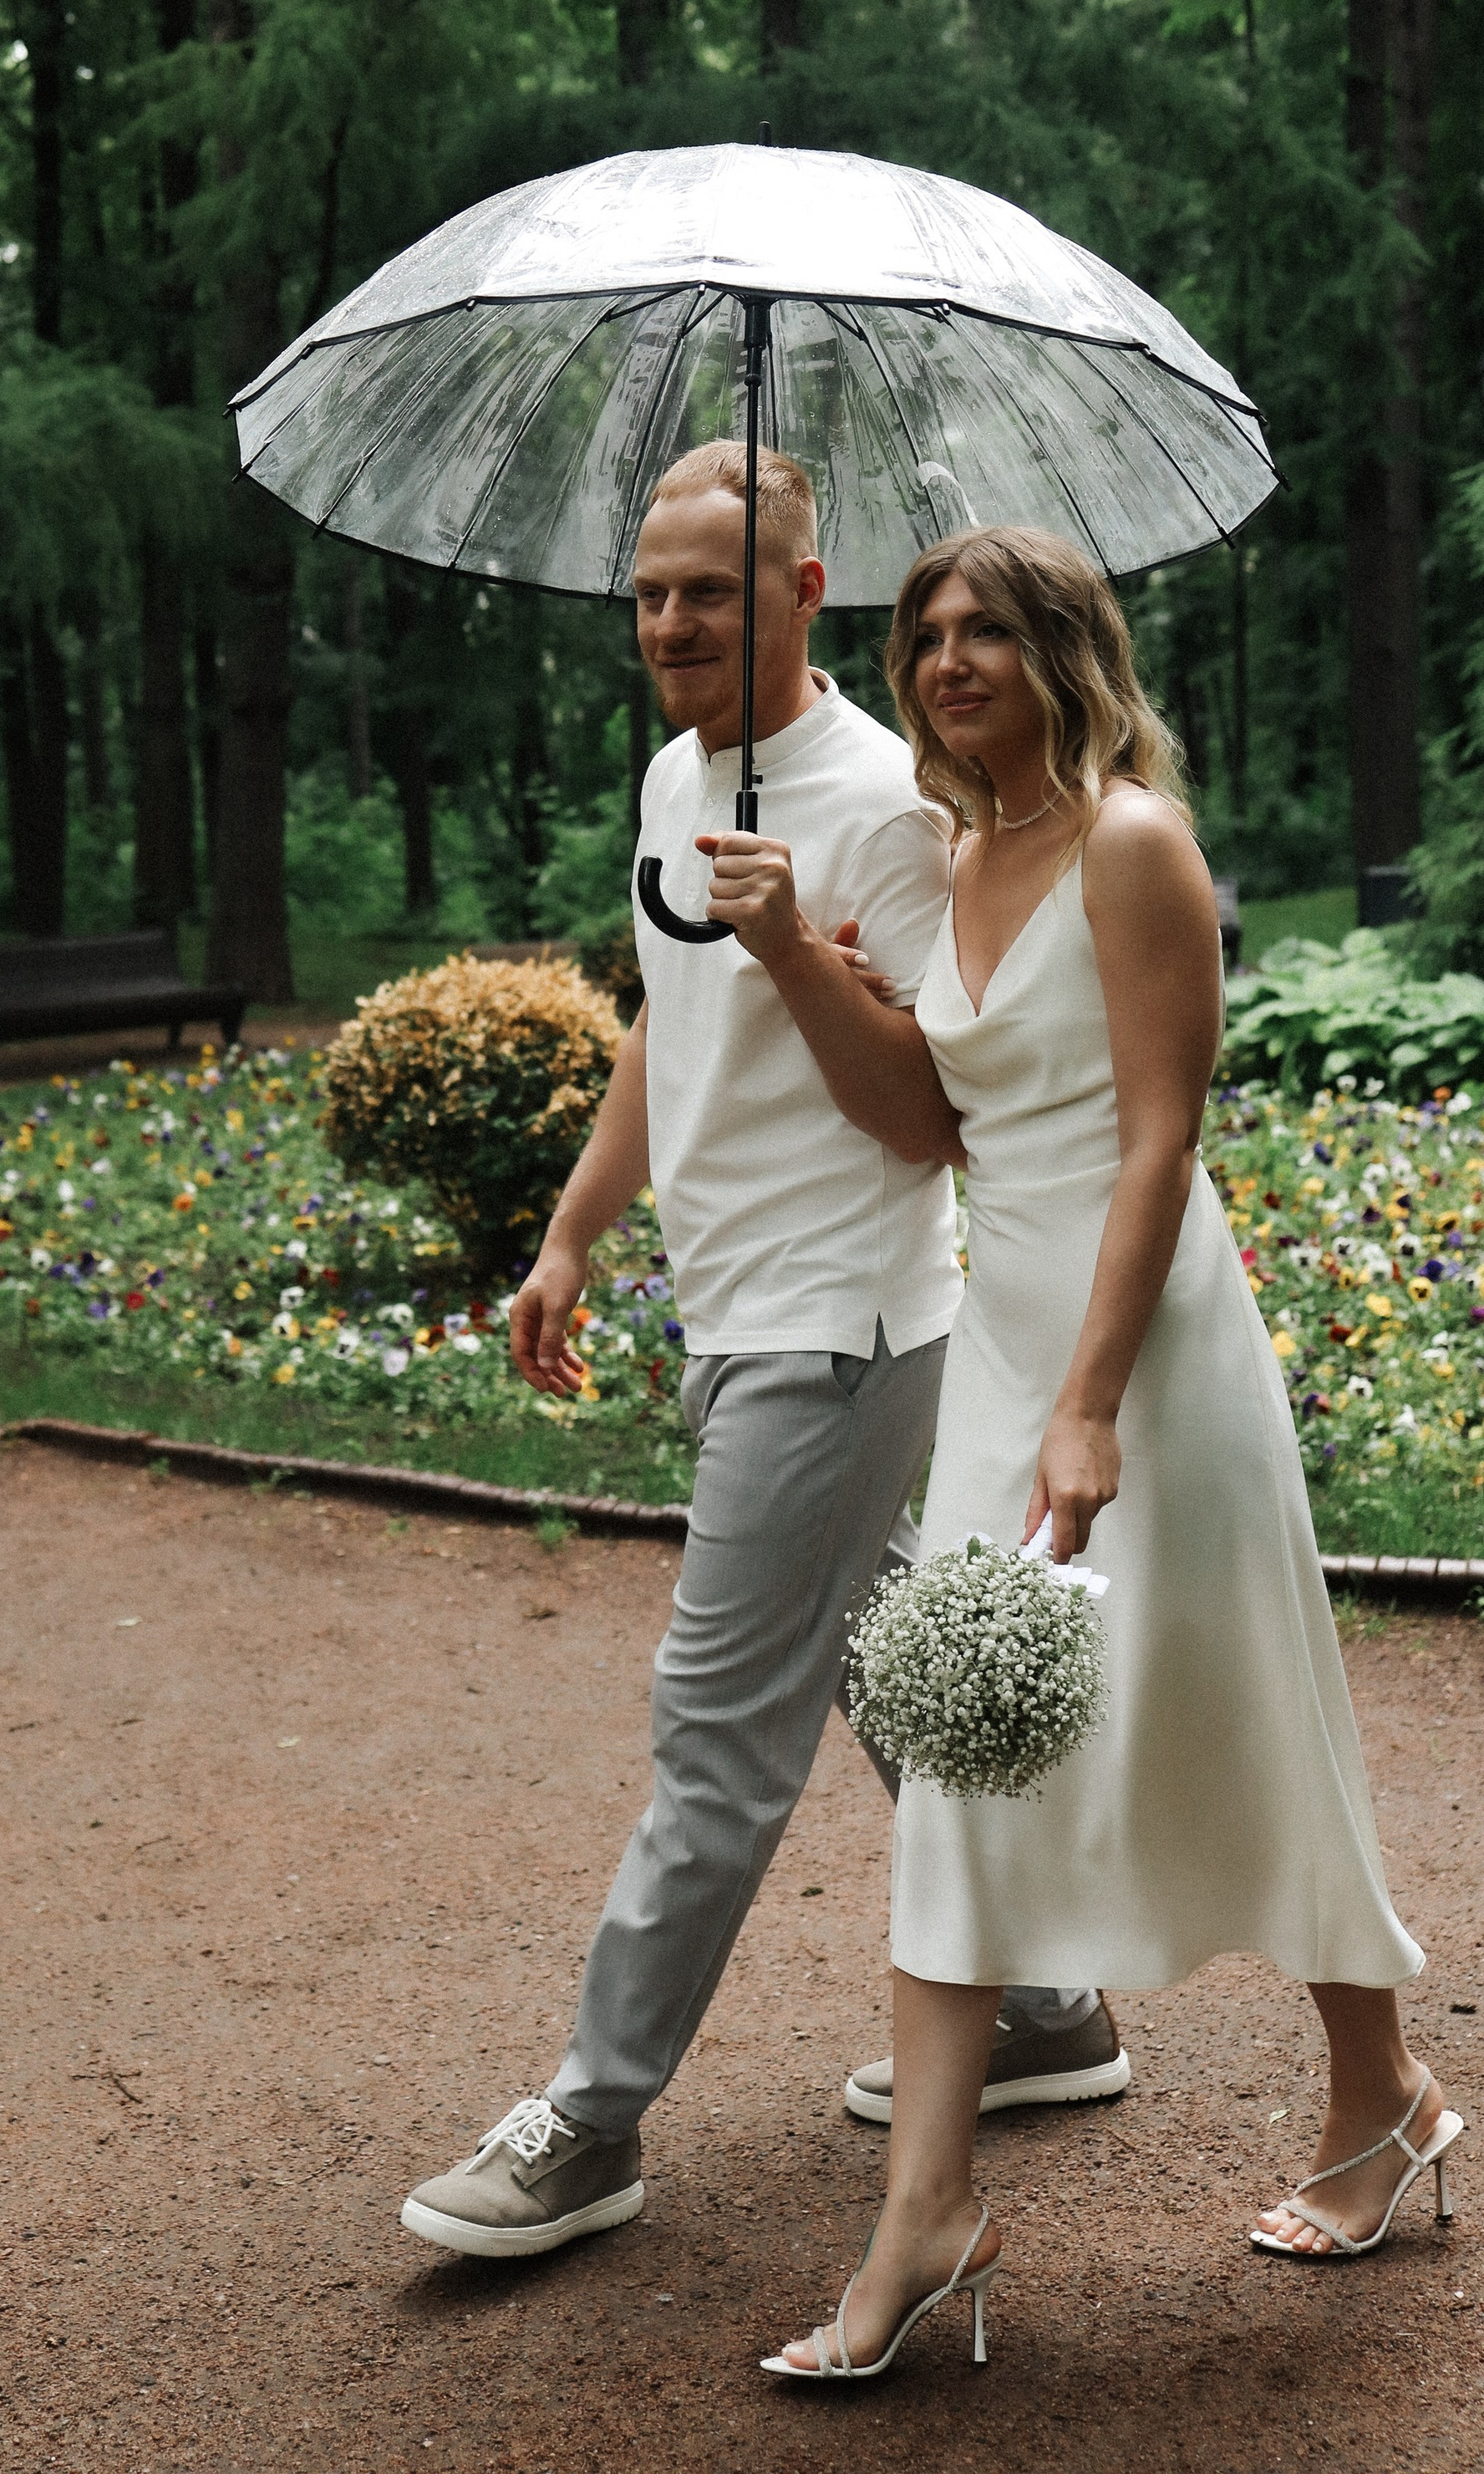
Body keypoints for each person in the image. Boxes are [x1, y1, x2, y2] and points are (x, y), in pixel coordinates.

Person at [701, 524, 1458, 2384]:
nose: (944, 660)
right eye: (923, 636)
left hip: (1149, 1357)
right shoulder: (952, 855)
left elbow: (1154, 1142)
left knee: (1232, 1718)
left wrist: (1094, 1396)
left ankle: (1379, 2095)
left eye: (982, 632)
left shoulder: (1129, 843)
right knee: (963, 1754)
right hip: (1004, 1351)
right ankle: (925, 2223)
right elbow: (923, 1129)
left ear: (1063, 649)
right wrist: (794, 951)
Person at [399, 453, 1120, 2266]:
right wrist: (574, 1227)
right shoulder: (669, 776)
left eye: (706, 593)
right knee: (881, 1666)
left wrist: (789, 930)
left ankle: (589, 2117)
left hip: (837, 1323)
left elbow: (918, 1125)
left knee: (714, 1737)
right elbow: (667, 1017)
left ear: (803, 595)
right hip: (732, 1308)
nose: (664, 623)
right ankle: (1041, 2003)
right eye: (645, 592)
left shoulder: (884, 808)